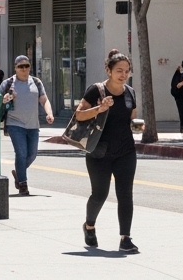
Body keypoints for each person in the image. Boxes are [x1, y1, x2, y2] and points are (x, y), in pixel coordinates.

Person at [74, 49, 139, 253]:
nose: (123, 74)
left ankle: (125, 238)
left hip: (126, 151)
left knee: (125, 194)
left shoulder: (130, 93)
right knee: (100, 194)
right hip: (99, 152)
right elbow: (78, 116)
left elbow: (131, 118)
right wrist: (99, 109)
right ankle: (89, 225)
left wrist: (137, 126)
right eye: (119, 70)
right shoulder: (96, 91)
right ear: (108, 70)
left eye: (127, 71)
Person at [2, 55, 54, 195]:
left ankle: (19, 174)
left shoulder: (36, 82)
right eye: (20, 66)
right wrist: (5, 99)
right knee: (21, 153)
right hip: (15, 124)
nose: (24, 69)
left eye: (26, 66)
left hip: (33, 125)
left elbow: (44, 100)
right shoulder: (9, 83)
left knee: (32, 155)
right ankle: (23, 185)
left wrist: (49, 113)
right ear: (15, 68)